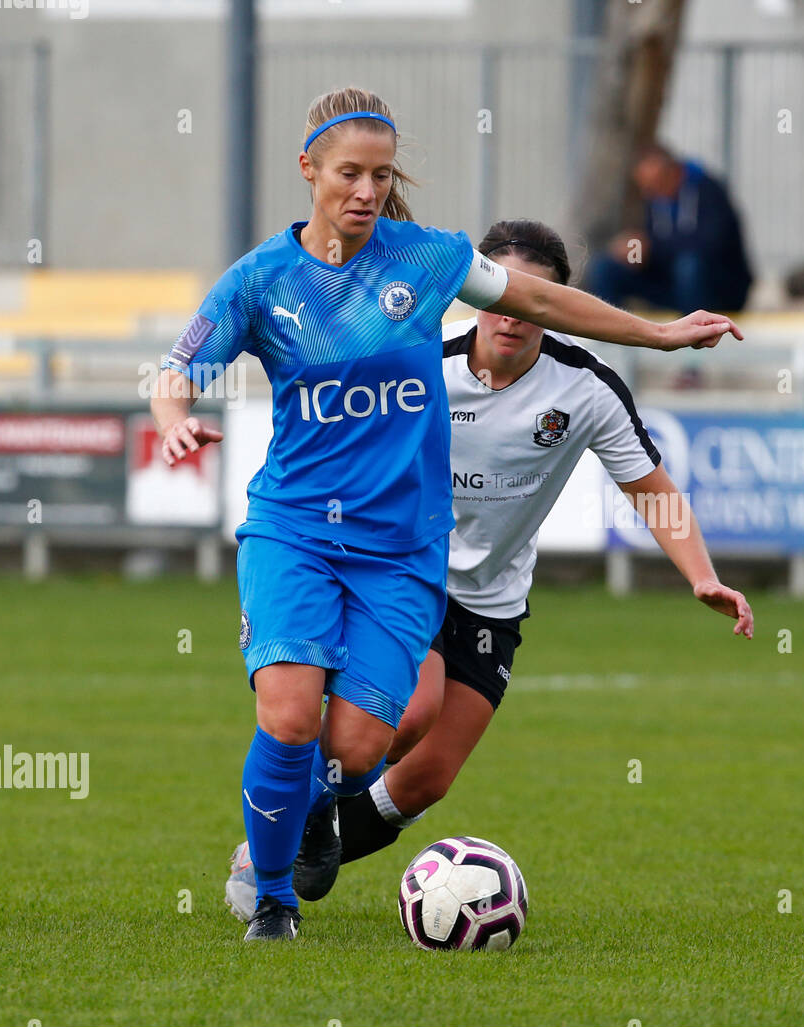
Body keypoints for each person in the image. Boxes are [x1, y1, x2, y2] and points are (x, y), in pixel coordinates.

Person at [153, 89, 742, 942]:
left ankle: (307, 819)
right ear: (308, 170)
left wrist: (657, 335)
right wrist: (173, 426)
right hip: (294, 528)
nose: (364, 189)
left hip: (400, 553)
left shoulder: (427, 260)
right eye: (348, 172)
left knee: (360, 748)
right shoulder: (259, 280)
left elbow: (544, 303)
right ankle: (273, 898)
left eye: (380, 175)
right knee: (288, 713)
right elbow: (177, 370)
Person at [584, 143, 754, 315]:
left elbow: (708, 245)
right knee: (605, 266)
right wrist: (635, 251)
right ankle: (610, 330)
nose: (647, 193)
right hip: (672, 285)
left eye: (652, 185)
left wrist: (651, 247)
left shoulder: (709, 191)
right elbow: (654, 244)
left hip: (718, 289)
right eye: (644, 187)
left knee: (689, 266)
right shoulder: (655, 200)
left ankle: (693, 336)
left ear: (673, 173)